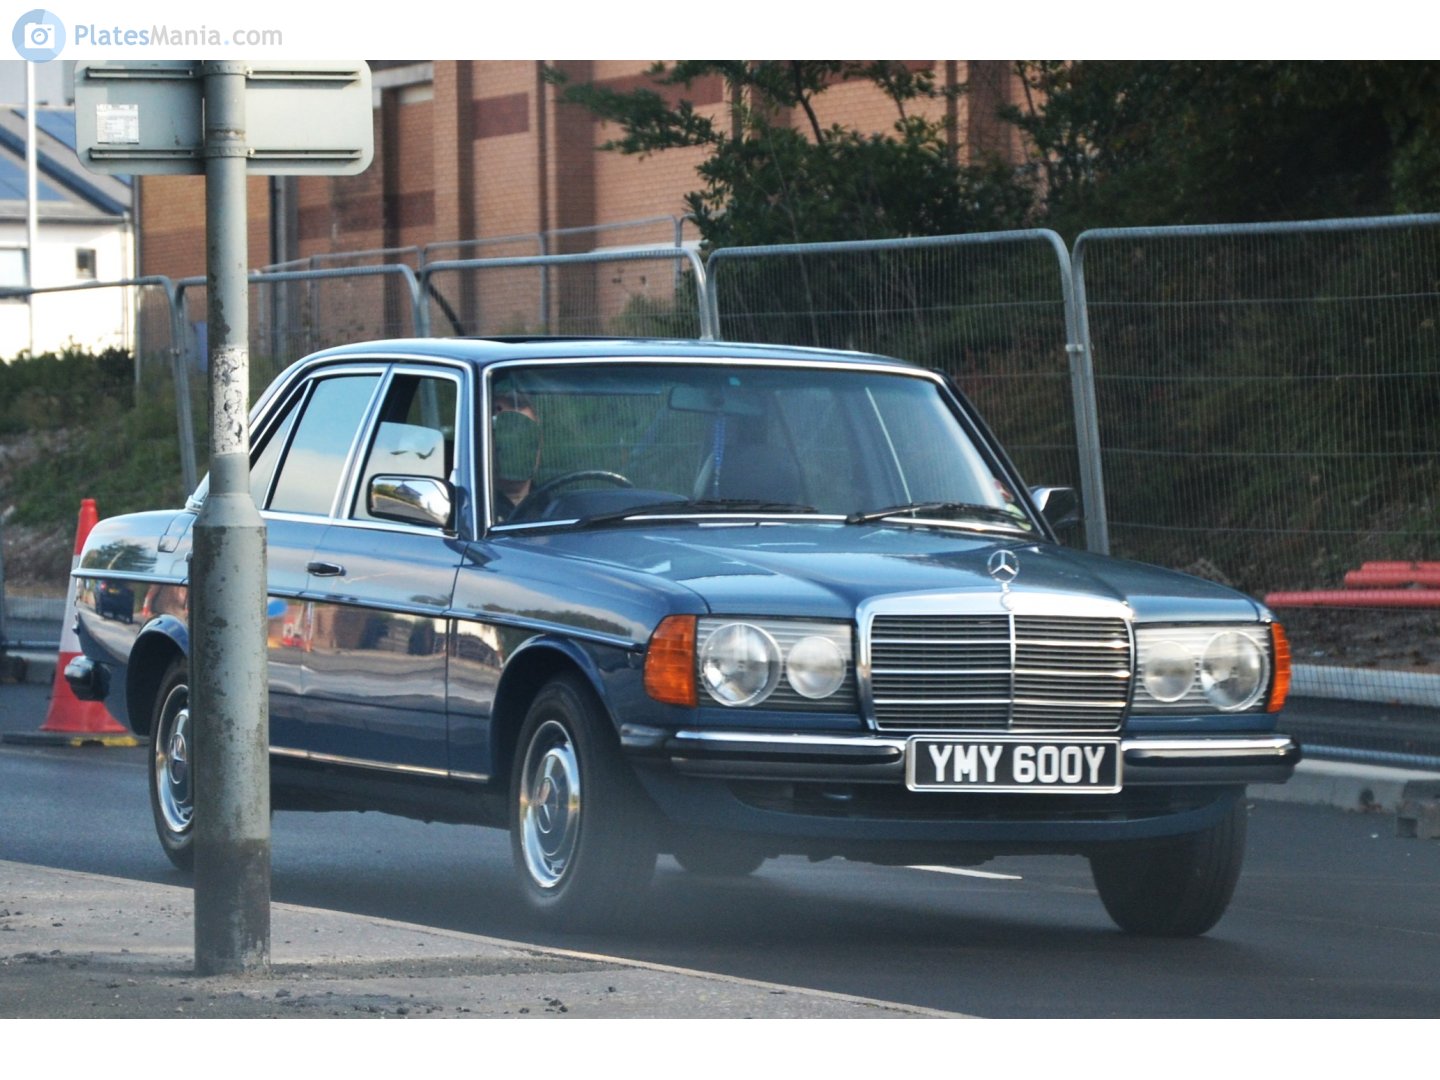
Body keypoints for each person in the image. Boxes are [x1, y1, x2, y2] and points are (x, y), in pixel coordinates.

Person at [491, 389, 542, 523]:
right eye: (508, 435)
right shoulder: (471, 511)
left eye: (527, 435)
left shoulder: (557, 509)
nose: (519, 446)